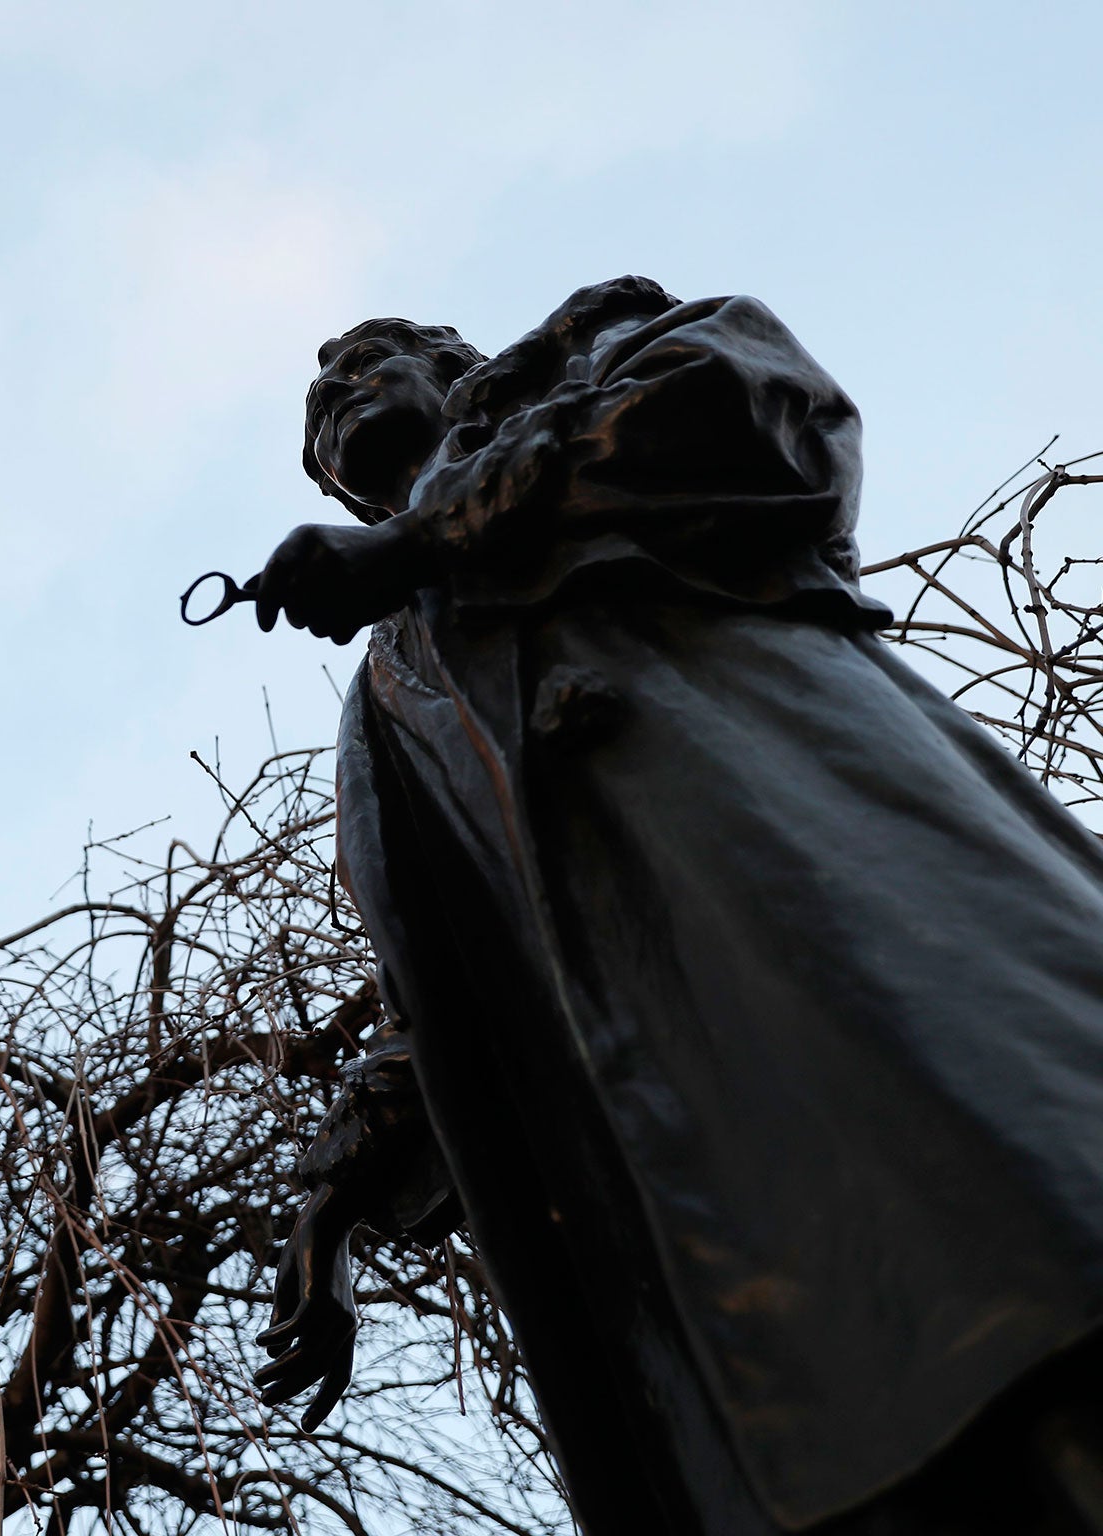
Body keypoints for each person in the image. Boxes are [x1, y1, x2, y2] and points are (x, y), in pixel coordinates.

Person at [247, 276, 1103, 1534]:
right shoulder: (381, 707)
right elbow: (434, 996)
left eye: (368, 362)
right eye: (319, 414)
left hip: (833, 905)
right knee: (861, 1432)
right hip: (660, 1110)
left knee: (1018, 1248)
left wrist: (430, 538)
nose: (336, 392)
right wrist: (332, 1205)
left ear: (453, 364)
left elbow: (759, 420)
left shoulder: (603, 360)